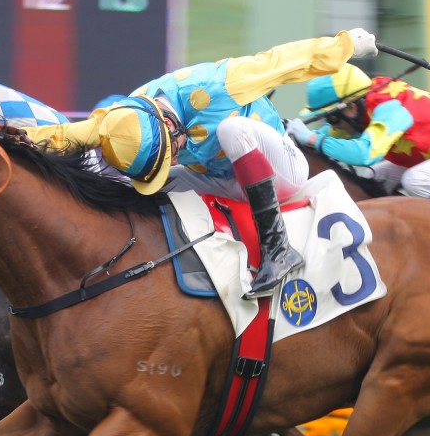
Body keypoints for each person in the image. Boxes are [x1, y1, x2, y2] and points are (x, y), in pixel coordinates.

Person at [24, 28, 379, 299]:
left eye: (170, 152)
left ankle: (279, 249)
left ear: (167, 124)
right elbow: (62, 134)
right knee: (140, 189)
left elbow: (286, 61)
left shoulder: (222, 83)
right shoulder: (120, 118)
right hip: (223, 180)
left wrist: (346, 44)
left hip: (280, 171)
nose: (174, 159)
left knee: (232, 129)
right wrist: (3, 137)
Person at [284, 64, 430, 202]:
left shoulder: (390, 108)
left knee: (417, 181)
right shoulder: (365, 102)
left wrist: (313, 138)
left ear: (351, 107)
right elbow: (334, 135)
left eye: (332, 116)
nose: (331, 124)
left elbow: (364, 153)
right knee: (372, 178)